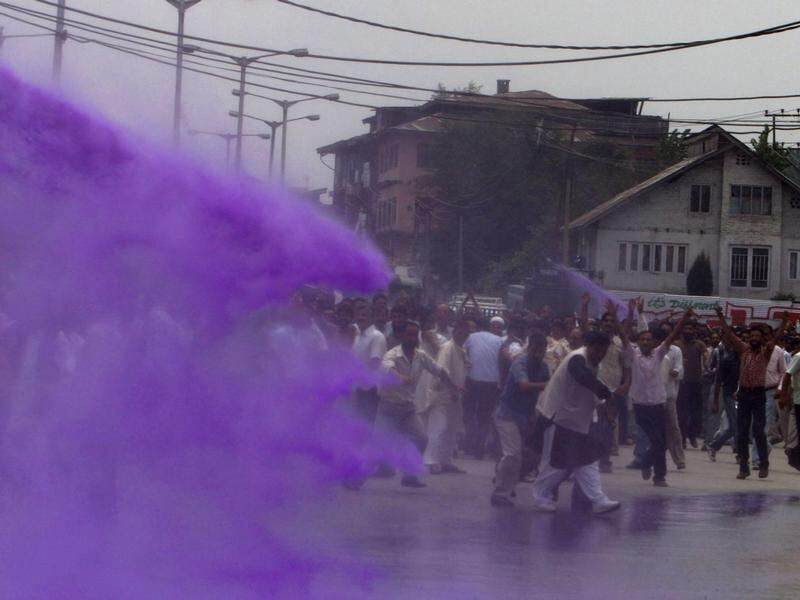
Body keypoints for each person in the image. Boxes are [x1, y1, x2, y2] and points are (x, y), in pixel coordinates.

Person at [532, 329, 621, 515]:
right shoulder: (577, 359)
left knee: (587, 461)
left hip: (576, 422)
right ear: (587, 346)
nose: (600, 354)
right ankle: (540, 496)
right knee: (555, 464)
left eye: (603, 351)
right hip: (558, 418)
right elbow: (583, 378)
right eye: (596, 350)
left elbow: (589, 389)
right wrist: (606, 393)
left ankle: (598, 500)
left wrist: (604, 408)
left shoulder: (593, 363)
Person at [715, 306, 789, 479]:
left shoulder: (766, 352)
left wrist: (784, 322)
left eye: (758, 336)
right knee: (741, 432)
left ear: (762, 339)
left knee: (758, 431)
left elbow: (777, 338)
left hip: (758, 396)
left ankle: (763, 463)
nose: (754, 338)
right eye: (752, 336)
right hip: (744, 395)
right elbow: (729, 334)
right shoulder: (744, 349)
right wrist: (720, 316)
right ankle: (743, 466)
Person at [622, 303, 691, 488]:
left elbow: (672, 336)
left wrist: (685, 318)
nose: (645, 342)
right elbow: (623, 335)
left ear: (654, 342)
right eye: (642, 339)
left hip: (658, 404)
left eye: (648, 339)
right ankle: (648, 465)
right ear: (638, 341)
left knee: (660, 441)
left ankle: (658, 475)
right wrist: (630, 312)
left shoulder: (659, 354)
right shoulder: (633, 354)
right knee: (656, 439)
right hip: (640, 405)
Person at [376, 321, 452, 488]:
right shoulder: (392, 354)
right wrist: (399, 377)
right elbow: (386, 368)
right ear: (402, 336)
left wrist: (453, 384)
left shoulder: (420, 355)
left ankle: (409, 475)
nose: (413, 339)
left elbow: (438, 370)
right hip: (389, 407)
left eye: (415, 335)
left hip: (407, 408)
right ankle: (353, 478)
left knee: (421, 438)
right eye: (409, 335)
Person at [491, 333, 550, 507]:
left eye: (541, 351)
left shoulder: (544, 367)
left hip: (526, 417)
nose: (538, 354)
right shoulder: (519, 363)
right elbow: (524, 385)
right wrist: (548, 384)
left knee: (533, 457)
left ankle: (505, 481)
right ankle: (500, 493)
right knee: (512, 454)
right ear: (528, 348)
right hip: (506, 415)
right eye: (534, 350)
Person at [424, 320, 470, 475]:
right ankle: (431, 461)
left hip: (455, 395)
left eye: (465, 332)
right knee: (439, 427)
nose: (462, 334)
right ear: (454, 331)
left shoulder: (460, 349)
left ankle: (445, 461)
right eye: (459, 331)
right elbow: (442, 371)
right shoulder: (447, 348)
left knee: (451, 429)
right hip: (443, 394)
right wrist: (451, 389)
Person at [463, 317, 504, 459]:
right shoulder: (501, 341)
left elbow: (463, 354)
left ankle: (469, 446)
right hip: (491, 383)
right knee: (484, 417)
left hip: (472, 380)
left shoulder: (471, 337)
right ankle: (478, 448)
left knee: (469, 414)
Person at [352, 298, 387, 425]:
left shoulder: (377, 336)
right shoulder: (358, 337)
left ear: (371, 317)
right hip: (359, 388)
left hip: (370, 390)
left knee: (366, 426)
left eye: (364, 315)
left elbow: (374, 364)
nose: (360, 318)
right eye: (358, 315)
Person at [708, 335, 740, 461]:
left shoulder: (746, 358)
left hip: (744, 395)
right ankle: (740, 454)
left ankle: (714, 446)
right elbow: (718, 382)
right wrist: (715, 401)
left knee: (734, 426)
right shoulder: (727, 361)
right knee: (737, 424)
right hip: (729, 395)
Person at [676, 320, 707, 449]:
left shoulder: (699, 344)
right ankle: (683, 437)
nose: (688, 331)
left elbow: (705, 355)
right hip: (682, 382)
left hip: (696, 382)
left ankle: (692, 434)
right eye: (686, 329)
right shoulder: (677, 344)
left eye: (691, 329)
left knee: (696, 413)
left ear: (695, 331)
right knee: (682, 412)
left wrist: (706, 361)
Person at [658, 326, 686, 469]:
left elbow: (679, 368)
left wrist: (675, 372)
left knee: (673, 427)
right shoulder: (653, 350)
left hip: (669, 394)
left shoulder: (676, 351)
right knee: (654, 429)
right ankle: (648, 458)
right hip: (653, 396)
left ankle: (679, 459)